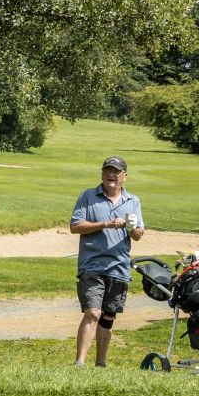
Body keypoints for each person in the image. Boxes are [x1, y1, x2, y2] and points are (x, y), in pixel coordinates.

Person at [70, 156, 145, 367]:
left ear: (124, 176)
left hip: (119, 267)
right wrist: (106, 224)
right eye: (107, 170)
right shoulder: (88, 196)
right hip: (92, 265)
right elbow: (75, 226)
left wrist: (131, 227)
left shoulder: (133, 201)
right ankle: (80, 364)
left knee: (107, 318)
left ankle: (101, 364)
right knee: (93, 312)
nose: (111, 175)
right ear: (102, 173)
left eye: (116, 171)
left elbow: (138, 234)